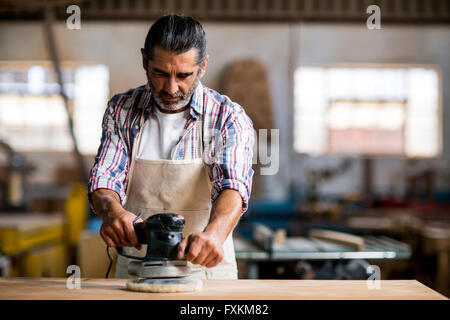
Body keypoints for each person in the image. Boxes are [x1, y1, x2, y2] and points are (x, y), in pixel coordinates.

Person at [88, 14, 254, 279]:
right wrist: (113, 211)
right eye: (160, 73)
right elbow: (106, 176)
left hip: (207, 269)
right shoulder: (122, 110)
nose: (171, 87)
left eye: (184, 75)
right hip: (136, 268)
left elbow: (233, 185)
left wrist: (215, 234)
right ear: (145, 60)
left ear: (203, 66)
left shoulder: (227, 116)